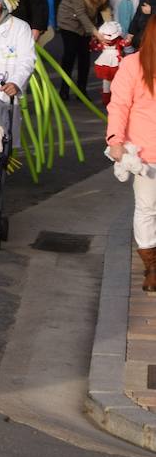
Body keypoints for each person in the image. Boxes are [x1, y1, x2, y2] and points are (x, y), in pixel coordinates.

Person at [105, 31, 156, 292]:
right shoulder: (133, 64)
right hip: (146, 154)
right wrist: (115, 140)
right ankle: (152, 267)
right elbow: (119, 105)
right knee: (147, 209)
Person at [58, 0, 112, 100]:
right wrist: (96, 33)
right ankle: (64, 89)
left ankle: (81, 90)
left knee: (84, 57)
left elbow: (105, 8)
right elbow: (80, 13)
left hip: (86, 23)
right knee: (70, 54)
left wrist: (111, 28)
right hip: (69, 21)